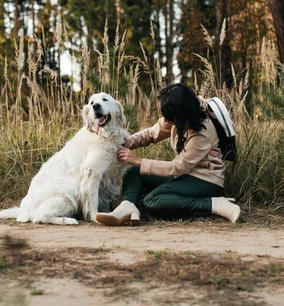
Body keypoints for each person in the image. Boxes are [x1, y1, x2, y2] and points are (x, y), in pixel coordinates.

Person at [95, 83, 240, 226]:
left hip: (205, 181)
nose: (164, 120)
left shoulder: (202, 133)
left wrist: (138, 160)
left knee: (153, 200)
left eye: (168, 118)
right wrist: (128, 141)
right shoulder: (182, 113)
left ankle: (213, 204)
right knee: (133, 173)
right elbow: (152, 133)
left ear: (179, 117)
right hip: (184, 176)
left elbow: (176, 167)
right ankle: (127, 206)